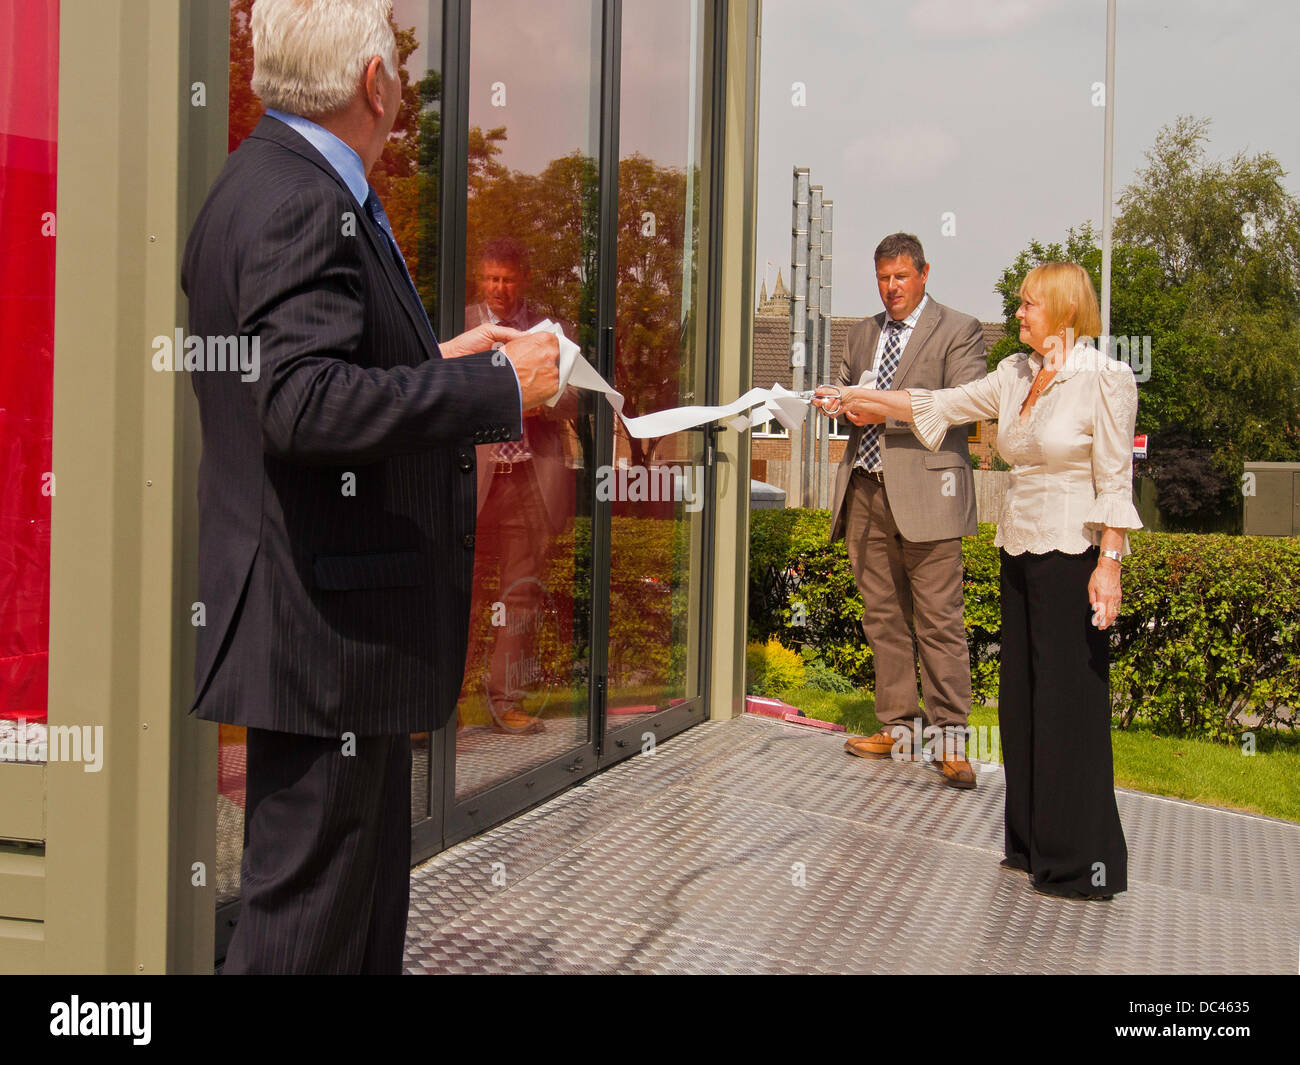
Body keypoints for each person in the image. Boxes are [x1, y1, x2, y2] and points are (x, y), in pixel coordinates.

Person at [180, 0, 560, 972]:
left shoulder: (266, 180)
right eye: (397, 64)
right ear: (373, 85)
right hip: (323, 637)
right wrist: (493, 384)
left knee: (348, 926)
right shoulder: (305, 196)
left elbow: (307, 375)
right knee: (305, 934)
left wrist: (444, 356)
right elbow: (302, 405)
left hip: (329, 633)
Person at [819, 261, 1140, 901]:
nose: (1016, 314)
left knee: (1066, 706)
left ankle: (1077, 862)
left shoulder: (1105, 377)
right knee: (1022, 703)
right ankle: (1028, 848)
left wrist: (1111, 565)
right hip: (1019, 551)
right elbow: (937, 404)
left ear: (1064, 312)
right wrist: (857, 399)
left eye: (1026, 305)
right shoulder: (1016, 374)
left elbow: (1116, 479)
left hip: (1074, 556)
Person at [815, 233, 986, 789]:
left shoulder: (960, 330)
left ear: (924, 273)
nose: (891, 288)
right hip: (864, 489)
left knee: (939, 620)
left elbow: (963, 411)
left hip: (929, 495)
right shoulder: (863, 333)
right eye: (883, 278)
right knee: (882, 617)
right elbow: (847, 402)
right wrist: (834, 404)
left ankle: (951, 740)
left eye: (901, 277)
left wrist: (877, 410)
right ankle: (898, 727)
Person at [462, 238, 577, 734]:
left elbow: (575, 398)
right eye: (491, 278)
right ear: (480, 279)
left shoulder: (549, 333)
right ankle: (441, 705)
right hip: (472, 478)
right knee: (457, 590)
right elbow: (436, 381)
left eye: (508, 279)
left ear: (522, 280)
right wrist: (500, 395)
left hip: (528, 480)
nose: (499, 287)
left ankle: (506, 702)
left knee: (520, 597)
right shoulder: (463, 323)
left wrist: (543, 398)